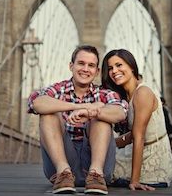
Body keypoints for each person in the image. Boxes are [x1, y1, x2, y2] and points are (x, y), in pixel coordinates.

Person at [27, 45, 128, 195]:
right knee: (48, 113)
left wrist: (90, 112)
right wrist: (82, 105)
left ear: (97, 71)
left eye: (91, 65)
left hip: (98, 165)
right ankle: (64, 173)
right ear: (71, 66)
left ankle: (95, 175)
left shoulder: (105, 94)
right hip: (60, 165)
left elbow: (120, 112)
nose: (85, 69)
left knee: (101, 115)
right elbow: (36, 102)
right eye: (81, 63)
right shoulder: (57, 89)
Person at [101, 49, 172, 191]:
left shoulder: (143, 93)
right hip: (137, 151)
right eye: (110, 68)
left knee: (95, 167)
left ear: (132, 66)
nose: (114, 71)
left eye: (119, 65)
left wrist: (134, 181)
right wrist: (109, 143)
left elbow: (139, 136)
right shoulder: (128, 96)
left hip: (151, 160)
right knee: (95, 159)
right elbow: (133, 135)